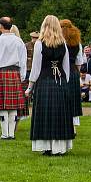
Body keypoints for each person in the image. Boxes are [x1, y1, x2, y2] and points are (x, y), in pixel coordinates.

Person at [26, 16, 74, 155]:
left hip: (45, 81)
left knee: (46, 114)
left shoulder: (39, 44)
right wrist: (65, 83)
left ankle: (47, 147)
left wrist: (30, 86)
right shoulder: (63, 43)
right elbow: (66, 67)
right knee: (60, 114)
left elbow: (36, 68)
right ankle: (59, 148)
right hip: (60, 82)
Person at [0, 17, 27, 140]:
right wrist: (22, 76)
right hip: (15, 74)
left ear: (1, 26)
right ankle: (11, 134)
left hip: (1, 74)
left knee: (3, 106)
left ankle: (5, 134)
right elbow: (23, 60)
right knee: (13, 106)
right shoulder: (19, 41)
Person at [60, 19, 85, 128]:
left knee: (63, 98)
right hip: (74, 70)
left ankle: (63, 125)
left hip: (61, 71)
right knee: (73, 99)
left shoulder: (59, 42)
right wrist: (76, 72)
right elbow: (79, 61)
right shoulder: (77, 43)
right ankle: (73, 127)